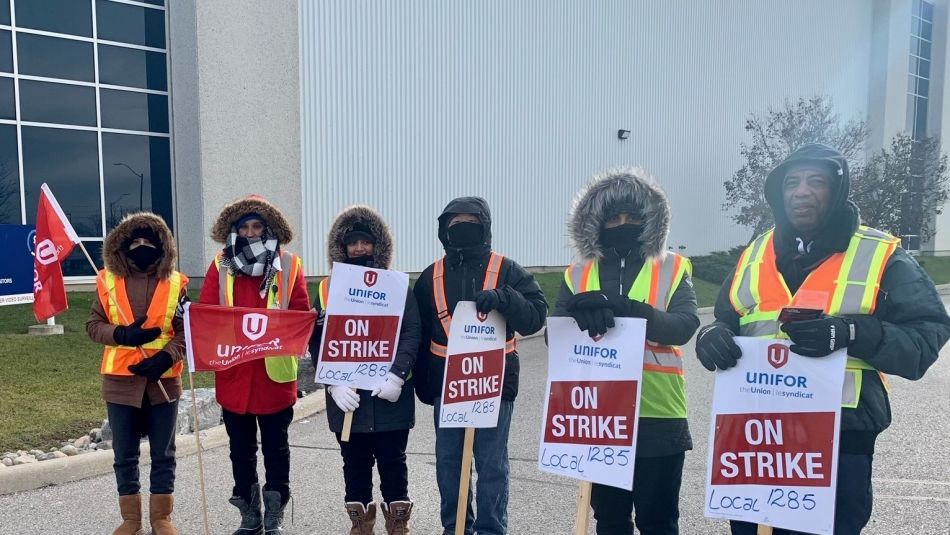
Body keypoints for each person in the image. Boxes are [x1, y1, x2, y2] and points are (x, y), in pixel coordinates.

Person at [695, 143, 950, 535]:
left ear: (837, 190)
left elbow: (927, 336)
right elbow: (727, 319)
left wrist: (850, 332)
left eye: (816, 181)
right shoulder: (755, 253)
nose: (801, 191)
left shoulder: (880, 254)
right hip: (756, 439)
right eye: (791, 183)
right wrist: (711, 336)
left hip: (841, 440)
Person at [551, 168, 700, 535]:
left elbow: (684, 326)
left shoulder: (672, 267)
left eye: (632, 216)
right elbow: (555, 338)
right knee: (611, 521)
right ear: (596, 223)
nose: (623, 223)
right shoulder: (577, 274)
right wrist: (578, 317)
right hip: (599, 415)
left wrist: (635, 311)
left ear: (650, 220)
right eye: (613, 217)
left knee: (658, 522)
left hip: (658, 414)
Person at [413, 196, 547, 535]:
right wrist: (423, 382)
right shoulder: (431, 276)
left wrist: (506, 298)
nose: (462, 228)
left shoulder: (507, 270)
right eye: (454, 224)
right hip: (448, 385)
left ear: (484, 227)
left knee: (491, 465)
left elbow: (536, 317)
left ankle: (491, 529)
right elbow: (419, 330)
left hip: (495, 384)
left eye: (469, 222)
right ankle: (455, 528)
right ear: (444, 230)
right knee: (449, 465)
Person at [198, 195, 310, 535]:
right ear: (235, 230)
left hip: (274, 376)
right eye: (243, 227)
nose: (249, 232)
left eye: (256, 226)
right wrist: (188, 316)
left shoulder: (290, 265)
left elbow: (300, 313)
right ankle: (249, 516)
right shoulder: (220, 264)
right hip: (234, 375)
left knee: (277, 449)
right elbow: (207, 311)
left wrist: (309, 323)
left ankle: (274, 515)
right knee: (240, 451)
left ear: (269, 228)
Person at [308, 205, 421, 535]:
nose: (359, 249)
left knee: (393, 462)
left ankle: (397, 522)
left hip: (388, 397)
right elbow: (317, 338)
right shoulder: (328, 289)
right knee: (354, 465)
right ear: (341, 249)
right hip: (348, 400)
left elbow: (412, 331)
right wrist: (332, 383)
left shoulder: (397, 286)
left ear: (378, 246)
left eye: (365, 242)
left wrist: (398, 374)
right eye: (352, 244)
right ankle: (361, 524)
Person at [87, 212, 188, 535]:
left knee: (164, 453)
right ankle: (131, 519)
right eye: (135, 241)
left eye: (150, 242)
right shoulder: (106, 280)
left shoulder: (176, 283)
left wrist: (165, 357)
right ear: (123, 246)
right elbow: (93, 326)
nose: (142, 247)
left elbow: (187, 330)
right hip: (120, 382)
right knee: (124, 454)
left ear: (163, 247)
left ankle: (162, 517)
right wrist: (121, 335)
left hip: (163, 379)